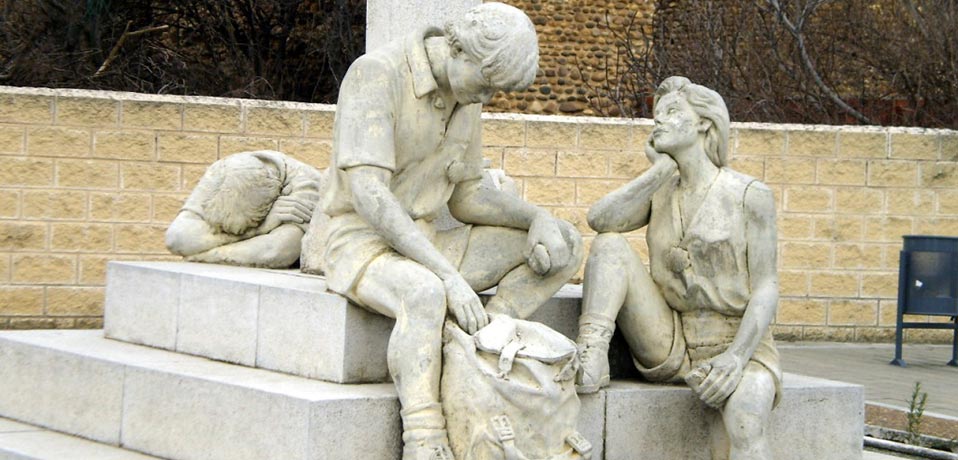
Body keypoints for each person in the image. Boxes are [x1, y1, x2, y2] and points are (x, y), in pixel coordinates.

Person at [316, 3, 582, 459]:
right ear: (457, 49)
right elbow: (370, 194)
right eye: (487, 83)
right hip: (361, 243)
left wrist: (536, 218)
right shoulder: (376, 74)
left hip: (432, 242)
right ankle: (423, 434)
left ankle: (484, 342)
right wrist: (447, 276)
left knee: (565, 244)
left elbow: (467, 196)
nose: (488, 98)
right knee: (425, 293)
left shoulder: (465, 96)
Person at [575, 76, 781, 460]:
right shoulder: (661, 189)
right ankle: (592, 353)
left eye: (672, 112)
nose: (658, 120)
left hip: (738, 343)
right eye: (656, 114)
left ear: (704, 122)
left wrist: (737, 357)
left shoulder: (750, 195)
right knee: (610, 245)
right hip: (672, 342)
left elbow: (767, 286)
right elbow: (600, 219)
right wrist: (658, 172)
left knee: (746, 420)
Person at [165, 150, 321, 268]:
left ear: (268, 205)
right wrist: (259, 229)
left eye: (247, 228)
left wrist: (202, 256)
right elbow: (176, 239)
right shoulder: (223, 171)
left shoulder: (306, 183)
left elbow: (277, 252)